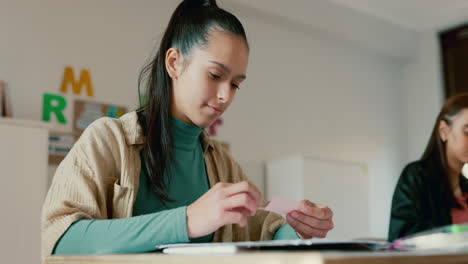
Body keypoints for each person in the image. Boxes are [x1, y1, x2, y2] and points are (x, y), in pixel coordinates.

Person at [41, 0, 334, 257]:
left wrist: (296, 230)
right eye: (215, 75)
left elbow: (265, 230)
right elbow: (61, 240)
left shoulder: (223, 164)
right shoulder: (107, 140)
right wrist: (188, 220)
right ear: (174, 63)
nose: (225, 95)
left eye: (235, 84)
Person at [388, 93, 468, 241]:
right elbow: (401, 239)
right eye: (467, 131)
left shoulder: (466, 187)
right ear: (444, 131)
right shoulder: (416, 176)